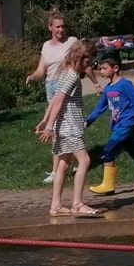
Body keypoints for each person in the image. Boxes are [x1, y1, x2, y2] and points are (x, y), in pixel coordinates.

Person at [36, 39, 101, 217]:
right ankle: (77, 203)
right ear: (80, 57)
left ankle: (55, 206)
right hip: (69, 127)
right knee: (85, 161)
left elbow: (55, 97)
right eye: (87, 62)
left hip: (62, 126)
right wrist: (48, 126)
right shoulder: (71, 76)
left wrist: (45, 119)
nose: (88, 66)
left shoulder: (65, 72)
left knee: (63, 164)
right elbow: (58, 100)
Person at [85, 49, 134, 195]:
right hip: (117, 126)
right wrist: (88, 121)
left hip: (126, 124)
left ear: (115, 68)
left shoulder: (125, 84)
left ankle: (108, 184)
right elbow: (99, 108)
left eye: (104, 68)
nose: (101, 71)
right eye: (100, 68)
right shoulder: (108, 89)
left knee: (108, 150)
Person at [27, 12, 81, 185]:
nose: (61, 29)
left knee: (62, 126)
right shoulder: (46, 46)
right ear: (50, 27)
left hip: (66, 85)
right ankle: (65, 162)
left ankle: (58, 169)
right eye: (57, 26)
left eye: (63, 26)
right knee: (58, 128)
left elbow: (81, 61)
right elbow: (41, 70)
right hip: (51, 86)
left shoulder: (72, 42)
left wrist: (95, 82)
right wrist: (33, 76)